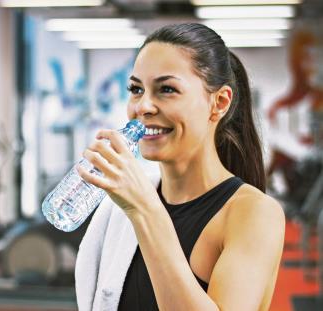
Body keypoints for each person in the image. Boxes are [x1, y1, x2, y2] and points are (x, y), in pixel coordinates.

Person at [74, 23, 285, 311]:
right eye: (136, 89)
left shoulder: (254, 214)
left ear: (219, 102)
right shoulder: (119, 210)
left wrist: (145, 210)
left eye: (167, 89)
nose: (143, 107)